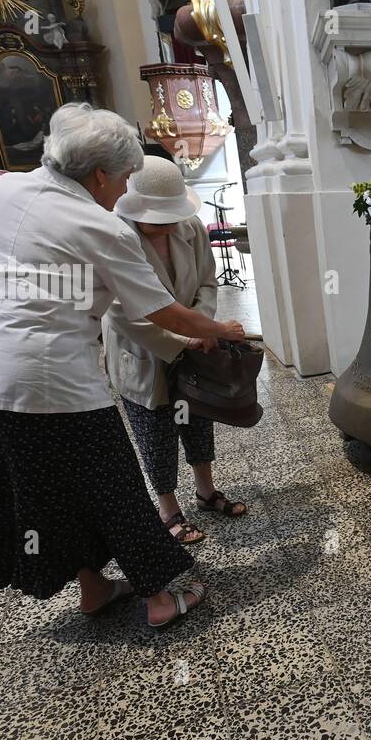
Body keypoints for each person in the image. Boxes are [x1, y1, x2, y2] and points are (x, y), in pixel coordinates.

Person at [0, 103, 245, 628]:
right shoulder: (98, 224)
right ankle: (157, 598)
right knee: (115, 487)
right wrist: (223, 329)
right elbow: (165, 312)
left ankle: (95, 589)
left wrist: (39, 290)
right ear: (102, 172)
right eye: (126, 176)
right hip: (50, 379)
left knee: (46, 492)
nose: (125, 189)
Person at [105, 156, 247, 545]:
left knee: (199, 417)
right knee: (156, 431)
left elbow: (207, 282)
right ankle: (168, 508)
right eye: (157, 219)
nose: (167, 226)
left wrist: (201, 326)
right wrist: (186, 337)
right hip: (144, 351)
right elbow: (121, 312)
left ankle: (205, 491)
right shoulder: (113, 236)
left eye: (171, 216)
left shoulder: (191, 226)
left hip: (195, 346)